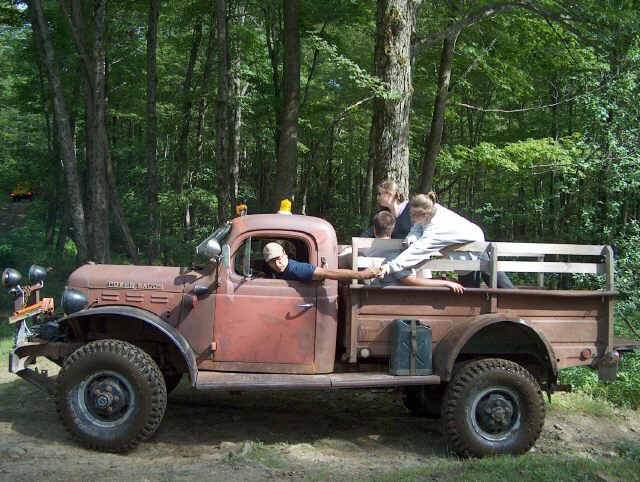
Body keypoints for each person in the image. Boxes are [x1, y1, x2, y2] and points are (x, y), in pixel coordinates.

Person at [377, 193, 514, 289]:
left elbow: (417, 250)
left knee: (500, 287)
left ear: (426, 214)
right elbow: (417, 226)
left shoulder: (437, 230)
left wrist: (390, 267)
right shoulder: (431, 209)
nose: (411, 218)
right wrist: (411, 237)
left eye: (414, 215)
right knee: (470, 295)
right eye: (411, 214)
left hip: (474, 250)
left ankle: (516, 306)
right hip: (464, 254)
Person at [365, 211, 464, 294]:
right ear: (393, 229)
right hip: (396, 297)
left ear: (374, 229)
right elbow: (410, 281)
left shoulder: (365, 250)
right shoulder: (393, 252)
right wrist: (445, 282)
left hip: (374, 294)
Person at [263, 242, 380, 283]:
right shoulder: (272, 268)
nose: (278, 264)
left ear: (285, 253)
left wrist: (362, 275)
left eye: (279, 259)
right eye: (273, 262)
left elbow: (329, 273)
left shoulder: (297, 269)